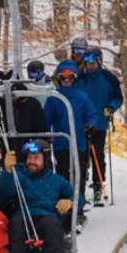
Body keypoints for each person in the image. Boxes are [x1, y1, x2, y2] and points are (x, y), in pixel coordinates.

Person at [0, 140, 73, 253]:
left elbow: (76, 195)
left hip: (47, 216)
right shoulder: (19, 175)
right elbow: (2, 193)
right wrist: (8, 172)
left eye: (36, 158)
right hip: (23, 215)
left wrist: (70, 201)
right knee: (17, 225)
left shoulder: (56, 180)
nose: (32, 161)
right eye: (29, 157)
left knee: (53, 227)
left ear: (45, 159)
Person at [43, 60, 95, 219]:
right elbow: (47, 119)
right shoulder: (54, 97)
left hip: (78, 143)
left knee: (78, 175)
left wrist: (90, 124)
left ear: (74, 78)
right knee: (63, 175)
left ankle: (78, 207)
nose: (66, 81)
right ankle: (64, 208)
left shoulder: (82, 96)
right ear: (59, 79)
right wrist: (45, 133)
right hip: (61, 144)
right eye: (63, 78)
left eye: (69, 78)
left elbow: (92, 114)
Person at [77, 47, 123, 203]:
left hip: (100, 123)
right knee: (81, 156)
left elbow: (118, 97)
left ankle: (98, 185)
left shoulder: (108, 78)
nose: (89, 65)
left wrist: (111, 106)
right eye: (87, 61)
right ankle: (80, 187)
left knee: (97, 155)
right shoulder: (80, 78)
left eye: (92, 61)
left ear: (99, 61)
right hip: (82, 124)